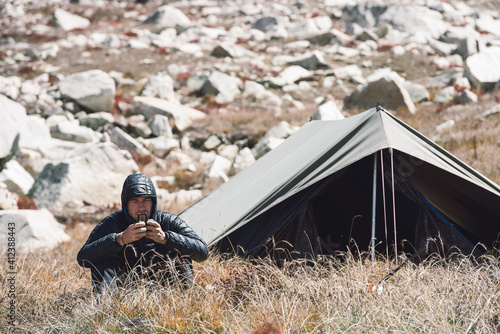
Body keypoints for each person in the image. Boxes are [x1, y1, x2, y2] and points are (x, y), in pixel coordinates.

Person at [77, 173, 209, 293]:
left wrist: (166, 238)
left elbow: (203, 252)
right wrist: (119, 239)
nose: (141, 207)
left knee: (182, 252)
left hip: (165, 287)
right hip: (125, 287)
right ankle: (107, 310)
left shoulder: (168, 220)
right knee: (101, 259)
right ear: (125, 204)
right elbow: (83, 259)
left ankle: (183, 303)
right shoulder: (113, 223)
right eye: (135, 201)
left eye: (146, 200)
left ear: (153, 202)